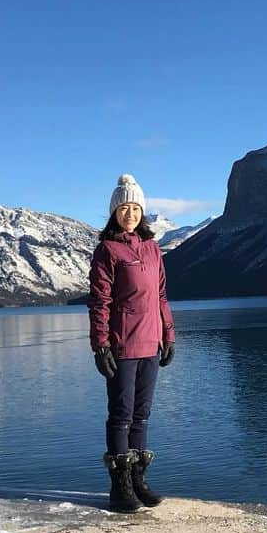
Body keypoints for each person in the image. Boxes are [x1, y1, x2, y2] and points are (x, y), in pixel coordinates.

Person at [88, 174, 176, 512]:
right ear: (114, 212)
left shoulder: (153, 249)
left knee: (142, 415)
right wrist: (100, 345)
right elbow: (100, 302)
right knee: (121, 415)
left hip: (151, 343)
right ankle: (119, 487)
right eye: (124, 207)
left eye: (136, 207)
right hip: (122, 345)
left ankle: (139, 481)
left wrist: (168, 333)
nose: (130, 213)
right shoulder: (107, 250)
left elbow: (162, 296)